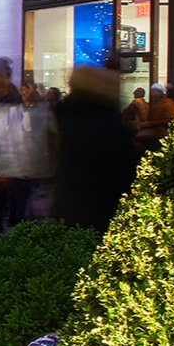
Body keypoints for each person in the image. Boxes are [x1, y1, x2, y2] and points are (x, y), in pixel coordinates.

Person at [53, 65, 138, 231]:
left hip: (72, 196)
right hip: (101, 200)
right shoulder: (104, 121)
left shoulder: (68, 113)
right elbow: (123, 165)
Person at [0, 57, 52, 230]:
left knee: (18, 218)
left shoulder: (20, 103)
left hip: (19, 172)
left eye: (7, 72)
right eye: (1, 72)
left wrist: (32, 106)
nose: (5, 76)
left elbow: (34, 131)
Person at [135, 83, 174, 152]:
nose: (154, 93)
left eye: (157, 91)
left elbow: (170, 120)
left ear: (162, 93)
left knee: (139, 136)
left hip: (162, 129)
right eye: (153, 91)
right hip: (151, 127)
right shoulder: (152, 103)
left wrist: (149, 124)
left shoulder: (168, 103)